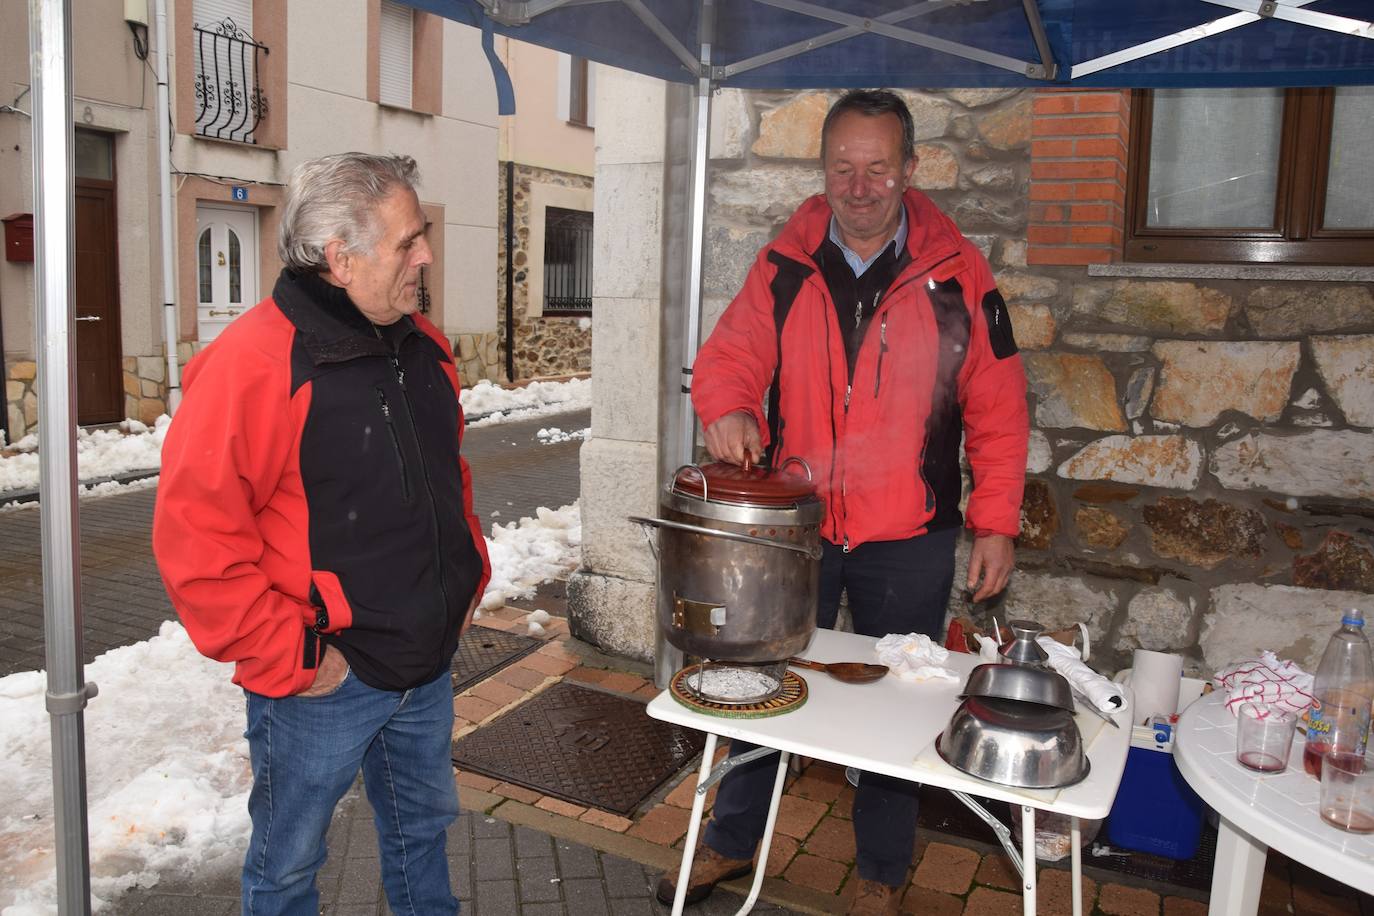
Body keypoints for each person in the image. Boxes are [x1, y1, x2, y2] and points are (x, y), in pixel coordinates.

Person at [659, 90, 1028, 915]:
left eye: (877, 168)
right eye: (842, 168)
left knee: (896, 708)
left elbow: (1000, 412)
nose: (859, 186)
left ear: (910, 169)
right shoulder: (783, 266)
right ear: (822, 170)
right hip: (796, 533)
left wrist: (996, 521)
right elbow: (728, 359)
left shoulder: (960, 275)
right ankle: (728, 842)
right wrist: (727, 405)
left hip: (912, 537)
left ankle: (881, 873)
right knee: (759, 681)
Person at [153, 152, 490, 916]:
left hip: (425, 666)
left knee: (425, 834)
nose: (426, 254)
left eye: (423, 235)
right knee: (287, 868)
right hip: (323, 682)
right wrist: (296, 657)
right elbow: (195, 540)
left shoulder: (422, 345)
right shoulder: (251, 364)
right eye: (409, 242)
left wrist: (466, 574)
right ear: (340, 259)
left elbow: (446, 475)